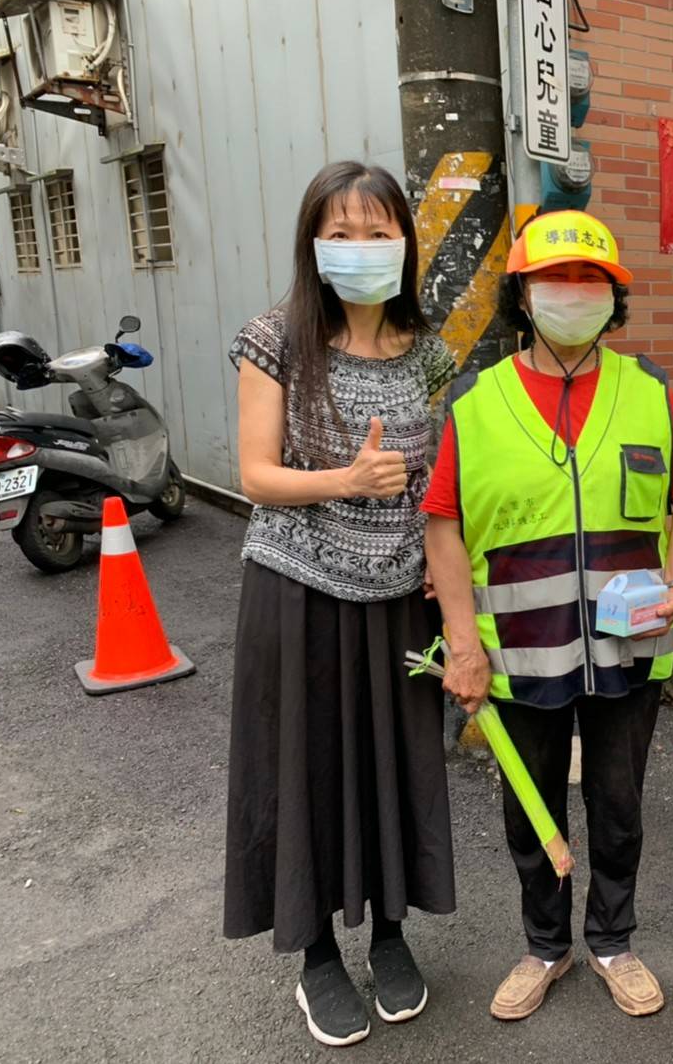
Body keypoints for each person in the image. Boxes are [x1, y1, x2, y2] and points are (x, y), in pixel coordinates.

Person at [423, 209, 673, 1022]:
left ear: (614, 297)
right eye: (555, 278)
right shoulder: (475, 402)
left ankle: (612, 940)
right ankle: (545, 947)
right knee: (530, 810)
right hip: (521, 651)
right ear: (523, 294)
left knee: (618, 807)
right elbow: (443, 525)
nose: (573, 292)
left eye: (591, 279)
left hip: (629, 645)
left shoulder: (649, 390)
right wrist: (463, 643)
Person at [223, 161, 458, 1048]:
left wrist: (440, 565)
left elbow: (434, 477)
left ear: (405, 241)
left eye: (379, 232)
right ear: (313, 244)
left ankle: (390, 934)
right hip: (298, 591)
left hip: (398, 596)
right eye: (341, 233)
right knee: (307, 768)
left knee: (395, 762)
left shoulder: (428, 350)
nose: (361, 248)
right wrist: (346, 480)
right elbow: (255, 475)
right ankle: (317, 952)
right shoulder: (275, 338)